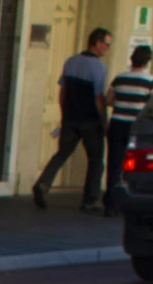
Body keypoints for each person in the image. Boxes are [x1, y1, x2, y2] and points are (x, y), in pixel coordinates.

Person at [35, 28, 113, 212]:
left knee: (62, 153)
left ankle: (43, 183)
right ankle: (90, 200)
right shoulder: (99, 67)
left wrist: (64, 115)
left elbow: (63, 92)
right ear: (98, 43)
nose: (108, 48)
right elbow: (98, 97)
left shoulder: (71, 62)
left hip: (70, 118)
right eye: (107, 44)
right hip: (90, 119)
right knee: (96, 159)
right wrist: (103, 121)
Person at [107, 45, 153, 215]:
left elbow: (109, 99)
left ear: (132, 59)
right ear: (147, 61)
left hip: (117, 123)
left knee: (114, 163)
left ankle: (110, 203)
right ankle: (127, 201)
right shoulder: (150, 81)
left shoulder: (120, 78)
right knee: (132, 165)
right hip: (135, 126)